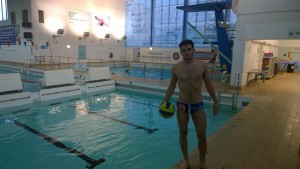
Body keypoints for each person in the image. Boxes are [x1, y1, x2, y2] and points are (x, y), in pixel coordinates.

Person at [162, 39, 218, 169]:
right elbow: (171, 86)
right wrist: (165, 101)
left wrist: (215, 101)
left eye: (189, 49)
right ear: (180, 52)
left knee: (202, 135)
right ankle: (186, 160)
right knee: (183, 133)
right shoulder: (176, 68)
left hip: (197, 104)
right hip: (182, 105)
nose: (186, 52)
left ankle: (202, 163)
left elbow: (209, 84)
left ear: (193, 50)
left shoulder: (202, 66)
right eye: (184, 50)